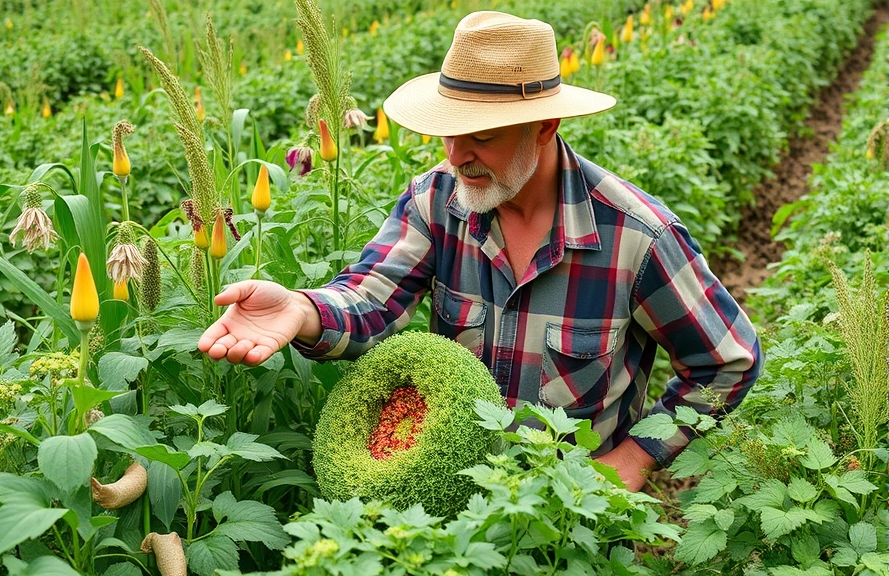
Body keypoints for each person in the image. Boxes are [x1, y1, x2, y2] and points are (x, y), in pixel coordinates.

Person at [197, 11, 761, 492]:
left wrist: (634, 461)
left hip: (568, 520)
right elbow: (371, 298)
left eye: (482, 136)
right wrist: (302, 309)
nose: (456, 154)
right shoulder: (437, 201)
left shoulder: (635, 236)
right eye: (449, 131)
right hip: (453, 504)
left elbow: (726, 360)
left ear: (545, 125)